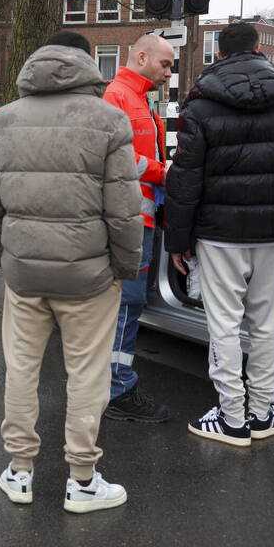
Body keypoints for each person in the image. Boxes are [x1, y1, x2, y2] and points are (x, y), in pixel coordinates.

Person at [0, 31, 143, 513]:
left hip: (24, 274)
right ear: (87, 63)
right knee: (87, 375)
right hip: (89, 277)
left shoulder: (4, 120)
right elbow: (124, 210)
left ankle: (20, 470)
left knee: (21, 370)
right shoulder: (108, 120)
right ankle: (82, 480)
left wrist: (2, 257)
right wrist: (123, 267)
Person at [165, 22, 274, 446]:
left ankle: (232, 418)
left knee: (224, 325)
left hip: (219, 232)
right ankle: (263, 414)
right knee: (266, 325)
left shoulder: (201, 102)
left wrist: (178, 241)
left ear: (219, 53)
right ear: (259, 48)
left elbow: (185, 179)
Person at [101, 33, 175, 423]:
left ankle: (112, 386)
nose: (169, 72)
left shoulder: (137, 97)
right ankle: (117, 390)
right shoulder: (120, 97)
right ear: (142, 57)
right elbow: (118, 158)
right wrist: (165, 172)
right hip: (129, 221)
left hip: (138, 218)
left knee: (126, 306)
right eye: (165, 64)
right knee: (126, 306)